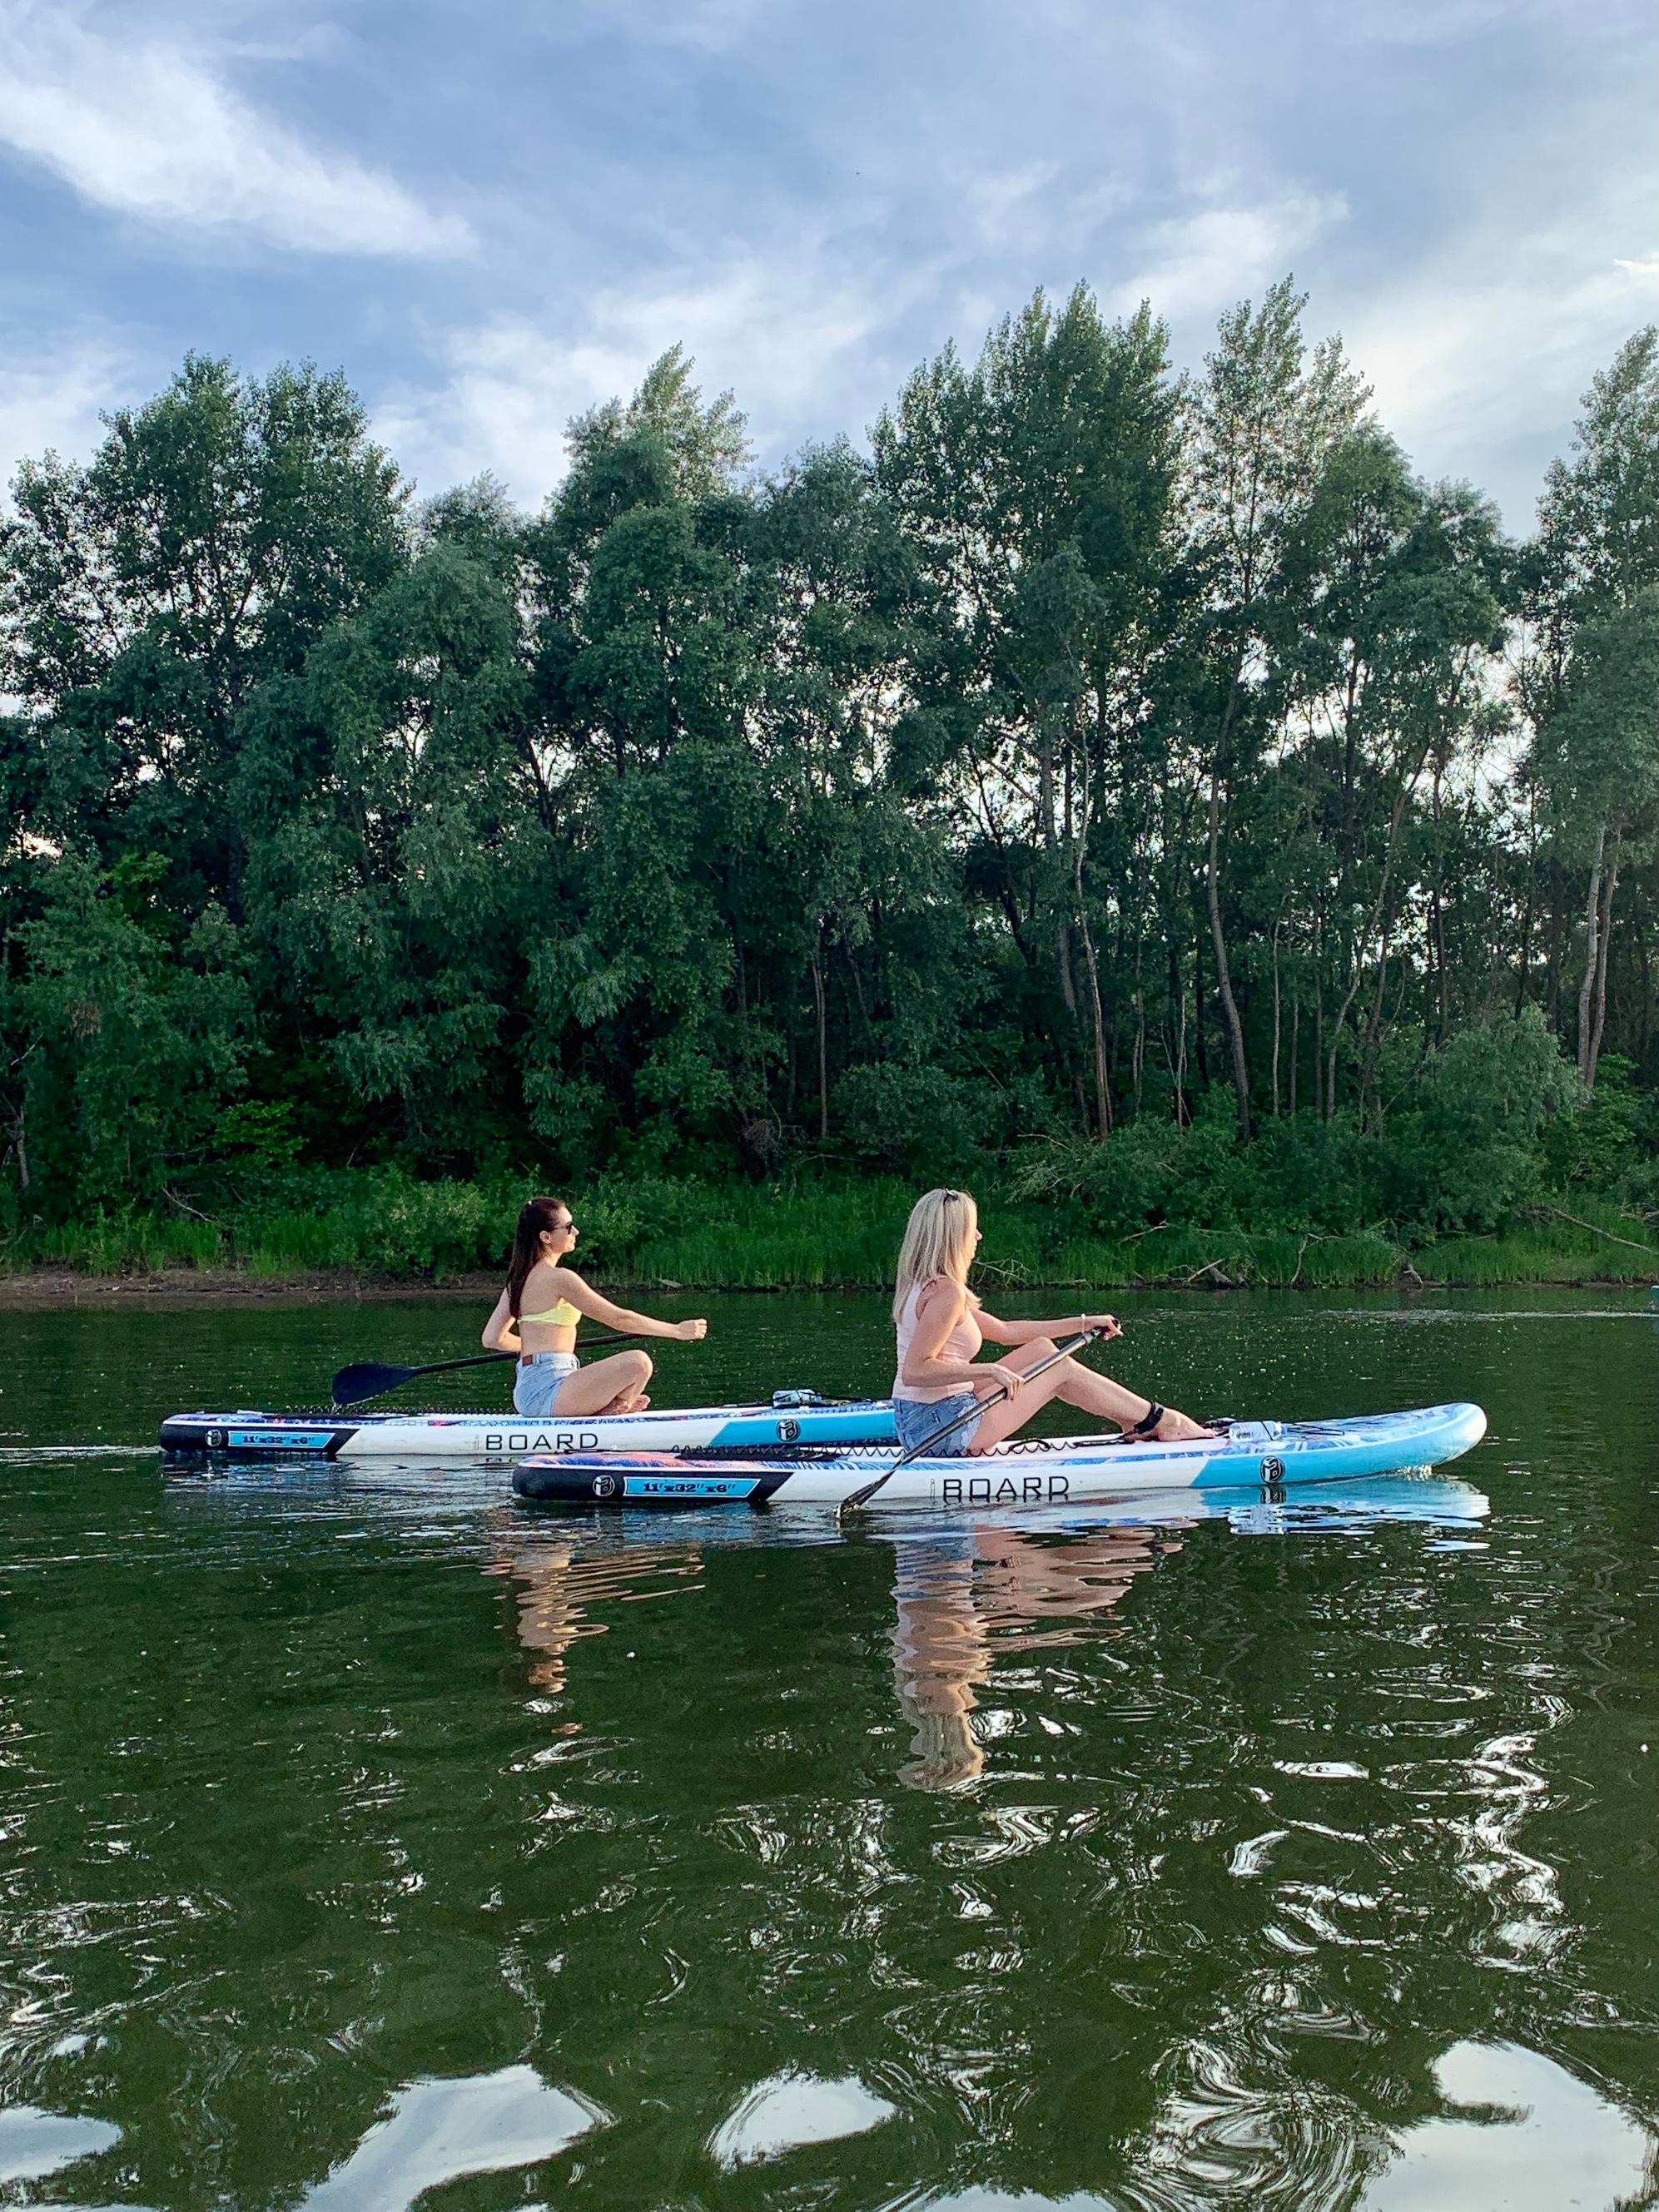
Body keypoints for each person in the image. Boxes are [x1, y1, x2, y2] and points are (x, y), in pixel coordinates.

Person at [891, 1187, 1211, 1458]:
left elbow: (1005, 1331)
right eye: (971, 1229)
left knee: (1043, 1350)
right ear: (952, 1236)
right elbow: (916, 1371)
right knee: (1059, 1369)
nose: (978, 1236)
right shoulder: (946, 1293)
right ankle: (1162, 1421)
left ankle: (1135, 1420)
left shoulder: (925, 1285)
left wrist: (1085, 1322)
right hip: (941, 1428)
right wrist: (990, 1370)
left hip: (925, 1419)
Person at [483, 1195, 708, 1418]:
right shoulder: (560, 1278)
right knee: (639, 1363)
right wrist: (677, 1330)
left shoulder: (518, 1281)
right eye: (568, 1227)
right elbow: (619, 1319)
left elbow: (492, 1339)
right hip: (548, 1390)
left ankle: (606, 1409)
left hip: (530, 1390)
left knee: (636, 1366)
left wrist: (537, 1349)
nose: (576, 1232)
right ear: (546, 1237)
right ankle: (613, 1409)